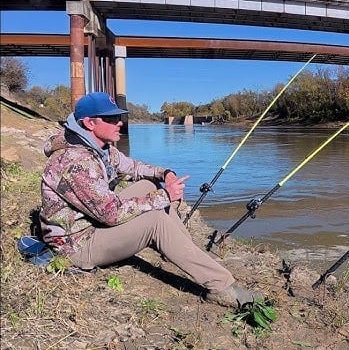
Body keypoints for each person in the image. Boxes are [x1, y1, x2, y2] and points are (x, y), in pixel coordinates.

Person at [38, 92, 260, 307]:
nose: (120, 123)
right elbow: (111, 214)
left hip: (91, 224)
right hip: (76, 246)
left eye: (120, 117)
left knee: (148, 184)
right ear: (89, 123)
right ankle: (220, 287)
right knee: (155, 221)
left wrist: (165, 173)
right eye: (112, 118)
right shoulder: (75, 162)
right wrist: (165, 196)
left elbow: (134, 167)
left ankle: (179, 247)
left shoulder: (97, 147)